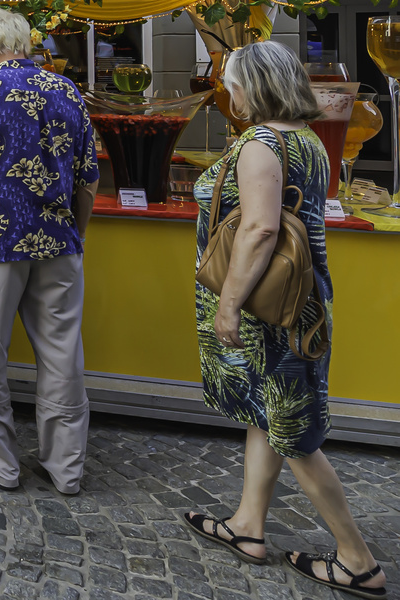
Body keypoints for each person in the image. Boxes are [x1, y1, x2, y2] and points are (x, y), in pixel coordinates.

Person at [184, 42, 386, 596]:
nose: (229, 92)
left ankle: (358, 560)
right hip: (297, 303)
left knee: (294, 431)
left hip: (265, 310)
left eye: (232, 82)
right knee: (269, 415)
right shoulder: (306, 141)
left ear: (256, 85)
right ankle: (248, 525)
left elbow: (260, 229)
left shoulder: (260, 144)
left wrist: (227, 303)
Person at [0, 6, 99, 495]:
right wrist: (76, 231)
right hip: (58, 243)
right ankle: (66, 469)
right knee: (61, 354)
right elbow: (89, 179)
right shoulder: (68, 90)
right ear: (27, 46)